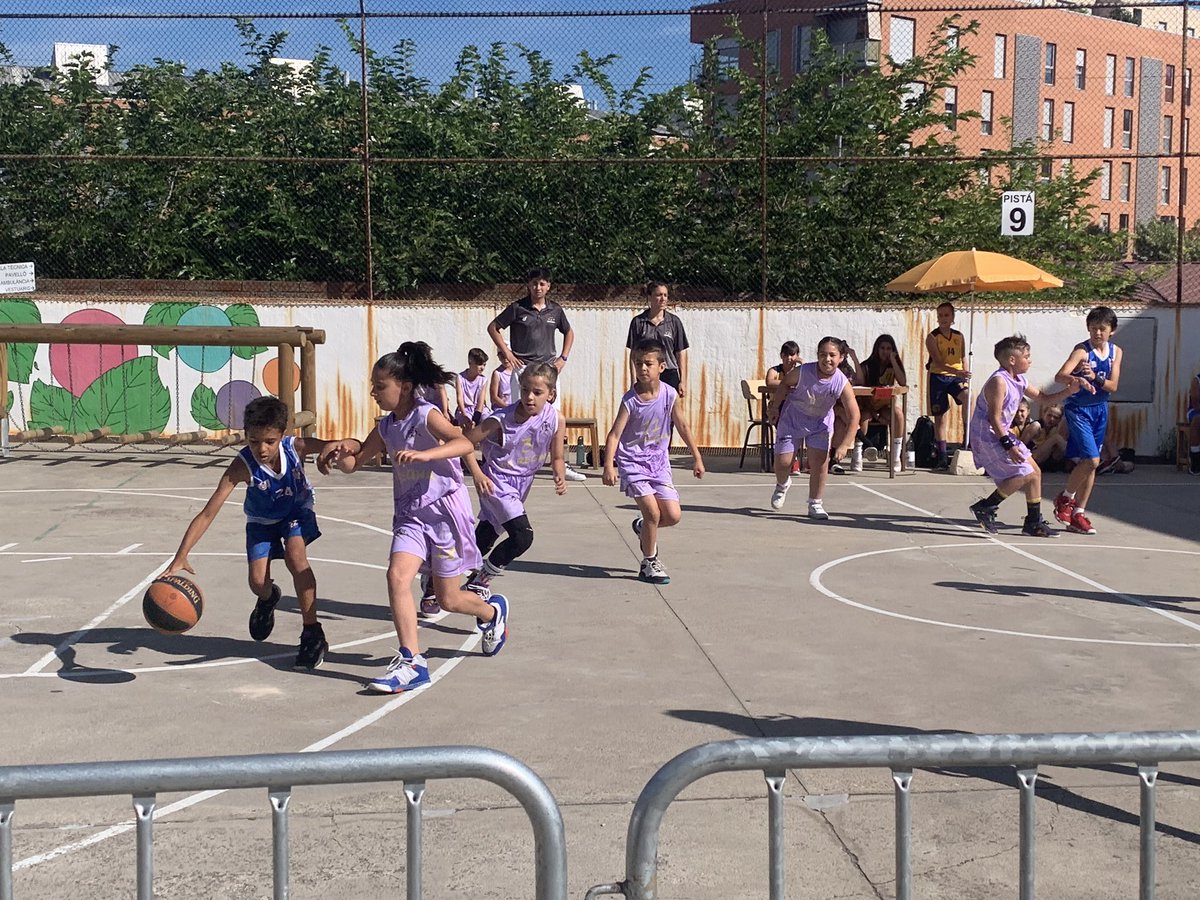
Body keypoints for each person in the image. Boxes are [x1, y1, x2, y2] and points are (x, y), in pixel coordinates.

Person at [318, 342, 508, 694]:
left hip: (445, 516)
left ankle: (491, 613)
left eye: (380, 386)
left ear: (404, 387)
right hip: (410, 516)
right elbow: (355, 463)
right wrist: (339, 451)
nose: (374, 393)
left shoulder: (426, 415)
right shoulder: (387, 426)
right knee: (396, 576)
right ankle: (412, 661)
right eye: (373, 386)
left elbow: (465, 443)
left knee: (449, 600)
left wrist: (426, 455)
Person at [165, 396, 333, 670]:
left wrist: (335, 451)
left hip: (296, 511)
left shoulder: (296, 448)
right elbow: (207, 513)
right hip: (261, 521)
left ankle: (312, 632)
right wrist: (181, 555)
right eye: (254, 441)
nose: (262, 449)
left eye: (269, 441)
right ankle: (268, 598)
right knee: (257, 582)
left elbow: (338, 444)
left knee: (295, 557)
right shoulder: (242, 465)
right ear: (246, 436)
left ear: (282, 435)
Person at [968, 335, 1093, 536]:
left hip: (1001, 434)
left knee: (1035, 473)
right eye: (1026, 357)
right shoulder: (999, 382)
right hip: (988, 437)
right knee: (1024, 473)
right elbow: (994, 418)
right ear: (1012, 360)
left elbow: (1044, 399)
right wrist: (1009, 445)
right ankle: (986, 506)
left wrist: (1070, 390)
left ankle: (1033, 522)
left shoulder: (1020, 380)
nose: (1030, 360)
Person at [603, 339, 705, 585]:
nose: (642, 368)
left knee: (672, 515)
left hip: (659, 464)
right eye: (638, 363)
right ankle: (649, 562)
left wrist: (697, 457)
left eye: (648, 363)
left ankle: (642, 527)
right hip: (633, 463)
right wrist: (608, 465)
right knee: (652, 512)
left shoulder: (669, 394)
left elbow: (682, 425)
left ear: (661, 367)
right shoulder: (630, 400)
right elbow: (615, 434)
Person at [461, 363, 568, 593]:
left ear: (551, 394)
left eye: (537, 392)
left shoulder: (556, 419)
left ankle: (435, 581)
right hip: (497, 482)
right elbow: (464, 443)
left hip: (522, 483)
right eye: (525, 390)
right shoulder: (501, 419)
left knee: (485, 537)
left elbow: (557, 456)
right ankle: (480, 582)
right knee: (522, 536)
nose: (529, 397)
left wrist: (559, 474)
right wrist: (477, 474)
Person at [487, 267, 586, 482]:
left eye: (542, 283)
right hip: (523, 369)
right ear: (528, 285)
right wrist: (507, 353)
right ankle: (514, 460)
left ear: (548, 286)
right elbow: (493, 327)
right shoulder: (517, 308)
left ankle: (560, 464)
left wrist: (564, 358)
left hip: (548, 370)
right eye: (534, 283)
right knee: (519, 415)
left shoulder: (555, 310)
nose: (538, 287)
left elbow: (569, 332)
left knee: (554, 416)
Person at [767, 337, 860, 520]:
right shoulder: (803, 372)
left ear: (841, 358)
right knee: (783, 463)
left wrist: (844, 444)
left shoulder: (841, 382)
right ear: (817, 355)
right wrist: (775, 407)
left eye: (832, 355)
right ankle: (782, 484)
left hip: (819, 424)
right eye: (823, 354)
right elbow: (785, 383)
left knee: (820, 464)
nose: (827, 359)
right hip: (793, 419)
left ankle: (815, 503)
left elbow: (854, 415)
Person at [1052, 306, 1123, 536]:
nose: (1097, 333)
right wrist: (1078, 379)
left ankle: (1078, 513)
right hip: (1078, 409)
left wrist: (1095, 378)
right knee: (1093, 459)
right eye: (1093, 328)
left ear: (1112, 330)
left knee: (1089, 462)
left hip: (1100, 409)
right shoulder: (1082, 351)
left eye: (1102, 329)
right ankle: (1065, 498)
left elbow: (1113, 386)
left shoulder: (1116, 352)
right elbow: (1059, 376)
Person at [925, 301, 971, 470]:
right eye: (940, 315)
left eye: (946, 315)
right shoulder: (932, 337)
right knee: (941, 416)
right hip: (938, 376)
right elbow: (938, 361)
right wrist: (957, 372)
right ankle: (942, 456)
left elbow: (963, 357)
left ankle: (967, 439)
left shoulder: (959, 336)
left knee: (968, 397)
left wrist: (965, 373)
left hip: (956, 377)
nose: (943, 318)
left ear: (952, 317)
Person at [854, 333, 907, 473]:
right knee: (863, 417)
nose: (885, 351)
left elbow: (902, 382)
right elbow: (859, 386)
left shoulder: (893, 366)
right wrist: (873, 413)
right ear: (877, 349)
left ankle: (896, 456)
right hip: (867, 405)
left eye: (889, 348)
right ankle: (857, 455)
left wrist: (894, 361)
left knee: (898, 414)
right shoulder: (867, 365)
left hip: (884, 406)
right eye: (882, 348)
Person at [626, 281, 690, 396]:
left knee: (670, 406)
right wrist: (633, 381)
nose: (663, 298)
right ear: (650, 297)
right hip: (646, 373)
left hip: (669, 373)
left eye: (665, 295)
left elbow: (681, 353)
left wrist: (683, 381)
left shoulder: (674, 322)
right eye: (659, 295)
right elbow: (633, 354)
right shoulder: (638, 322)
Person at [766, 341, 803, 474]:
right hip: (776, 407)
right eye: (786, 355)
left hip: (796, 407)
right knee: (786, 424)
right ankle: (791, 459)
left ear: (797, 356)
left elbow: (809, 378)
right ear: (781, 356)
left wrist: (802, 364)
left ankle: (798, 458)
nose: (789, 358)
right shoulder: (775, 370)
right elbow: (769, 381)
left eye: (792, 355)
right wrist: (787, 383)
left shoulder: (800, 371)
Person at [1020, 404, 1068, 471]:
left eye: (1055, 417)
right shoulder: (1036, 426)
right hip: (1033, 459)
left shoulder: (1057, 429)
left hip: (1050, 461)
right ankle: (1075, 460)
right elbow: (1021, 444)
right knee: (1056, 438)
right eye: (1049, 415)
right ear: (1044, 414)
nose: (1051, 419)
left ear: (1059, 419)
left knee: (1059, 436)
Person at [454, 347, 490, 429]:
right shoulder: (460, 378)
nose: (482, 368)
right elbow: (460, 399)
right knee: (465, 424)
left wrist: (475, 420)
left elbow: (480, 402)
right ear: (470, 362)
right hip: (465, 410)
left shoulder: (483, 380)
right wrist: (464, 416)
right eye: (479, 364)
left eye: (484, 365)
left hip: (479, 410)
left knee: (488, 420)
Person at [1186, 371, 1200, 475]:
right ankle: (1195, 461)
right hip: (1196, 411)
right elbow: (1196, 404)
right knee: (1197, 420)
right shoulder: (1197, 380)